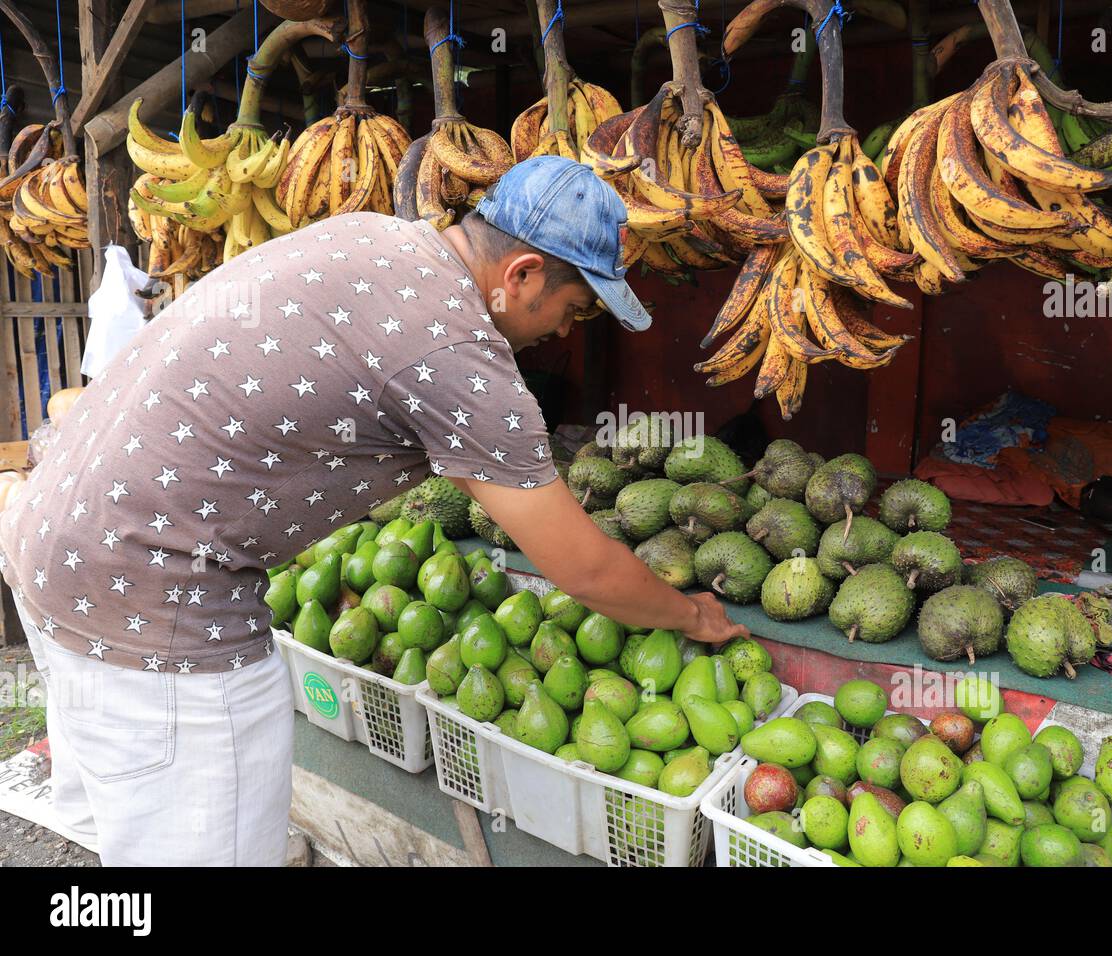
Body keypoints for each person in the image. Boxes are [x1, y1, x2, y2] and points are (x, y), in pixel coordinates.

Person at [0, 156, 750, 866]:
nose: (564, 332)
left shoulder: (375, 233)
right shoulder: (459, 353)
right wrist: (690, 618)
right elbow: (583, 568)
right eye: (573, 308)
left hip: (53, 530)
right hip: (156, 597)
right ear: (521, 275)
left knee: (135, 825)